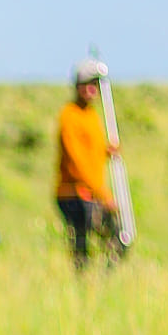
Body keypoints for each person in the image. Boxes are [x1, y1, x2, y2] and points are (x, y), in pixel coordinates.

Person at [57, 60, 119, 268]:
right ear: (77, 86)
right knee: (82, 248)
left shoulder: (92, 116)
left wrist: (106, 151)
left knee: (117, 240)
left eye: (95, 85)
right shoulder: (70, 115)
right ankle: (84, 288)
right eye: (87, 84)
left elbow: (92, 152)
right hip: (74, 194)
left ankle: (100, 284)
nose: (91, 89)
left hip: (92, 192)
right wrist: (103, 194)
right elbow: (76, 162)